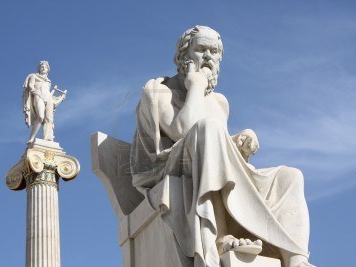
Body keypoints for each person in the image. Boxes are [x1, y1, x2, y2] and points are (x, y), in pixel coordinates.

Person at [130, 26, 314, 267]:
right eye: (202, 49)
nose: (208, 57)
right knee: (208, 128)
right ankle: (219, 237)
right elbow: (185, 131)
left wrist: (239, 141)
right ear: (183, 56)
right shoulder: (158, 90)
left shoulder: (219, 102)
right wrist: (195, 85)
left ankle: (296, 258)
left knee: (289, 176)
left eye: (215, 52)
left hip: (198, 162)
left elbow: (216, 152)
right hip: (166, 169)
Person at [22, 61, 66, 143]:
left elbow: (48, 93)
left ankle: (46, 139)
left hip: (48, 98)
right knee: (40, 117)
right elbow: (30, 85)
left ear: (48, 69)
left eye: (45, 67)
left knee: (48, 119)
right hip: (39, 96)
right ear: (39, 68)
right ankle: (31, 138)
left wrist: (59, 98)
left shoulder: (48, 81)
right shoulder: (33, 76)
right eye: (41, 66)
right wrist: (34, 91)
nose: (43, 68)